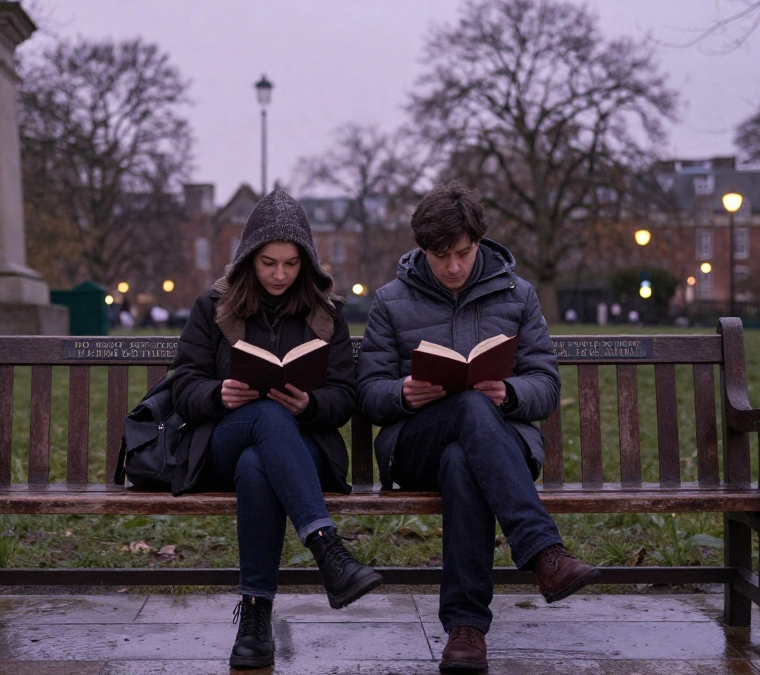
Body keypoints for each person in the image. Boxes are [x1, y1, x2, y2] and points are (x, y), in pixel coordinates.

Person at [357, 181, 599, 672]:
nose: (452, 267)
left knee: (462, 457)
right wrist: (402, 393)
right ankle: (543, 552)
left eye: (462, 253)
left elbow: (546, 386)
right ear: (422, 248)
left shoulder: (518, 294)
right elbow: (367, 394)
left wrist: (508, 394)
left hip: (500, 443)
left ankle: (466, 632)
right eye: (439, 254)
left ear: (478, 242)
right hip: (414, 446)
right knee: (465, 413)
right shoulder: (390, 300)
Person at [170, 189, 382, 669]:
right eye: (268, 263)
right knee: (262, 420)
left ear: (306, 262)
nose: (280, 275)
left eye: (290, 264)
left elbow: (344, 397)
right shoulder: (214, 307)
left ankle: (255, 618)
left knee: (258, 464)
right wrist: (218, 394)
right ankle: (329, 551)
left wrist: (308, 404)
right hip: (223, 441)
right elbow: (184, 386)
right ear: (248, 259)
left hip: (300, 450)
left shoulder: (326, 314)